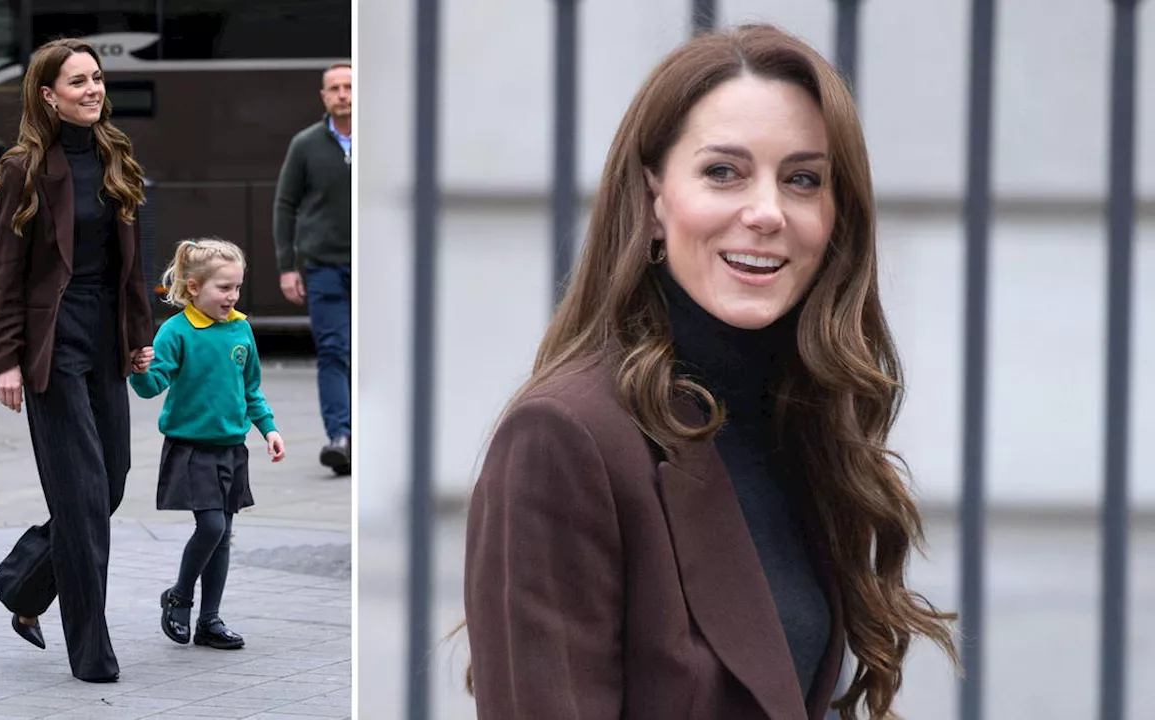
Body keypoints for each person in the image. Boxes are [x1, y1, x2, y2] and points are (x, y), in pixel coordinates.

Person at [461, 25, 958, 719]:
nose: (765, 212)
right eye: (722, 171)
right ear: (655, 198)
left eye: (803, 179)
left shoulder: (798, 423)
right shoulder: (565, 439)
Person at [0, 38, 154, 683]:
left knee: (108, 483)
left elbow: (131, 266)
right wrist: (5, 359)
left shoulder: (117, 157)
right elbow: (4, 275)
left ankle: (23, 582)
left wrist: (140, 335)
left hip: (104, 336)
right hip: (50, 347)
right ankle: (92, 652)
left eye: (97, 78)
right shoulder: (25, 169)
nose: (93, 89)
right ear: (48, 95)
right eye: (78, 81)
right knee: (81, 501)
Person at [130, 238, 286, 651]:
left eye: (237, 287)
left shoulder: (241, 328)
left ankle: (209, 620)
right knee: (212, 526)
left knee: (224, 533)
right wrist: (139, 369)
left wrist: (268, 429)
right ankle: (180, 595)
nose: (232, 296)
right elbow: (151, 386)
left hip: (232, 448)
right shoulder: (176, 331)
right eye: (223, 288)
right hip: (191, 447)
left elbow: (250, 387)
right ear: (195, 288)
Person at [272, 61, 352, 476]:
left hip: (375, 265)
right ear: (323, 96)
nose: (342, 94)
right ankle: (340, 436)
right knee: (334, 350)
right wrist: (288, 266)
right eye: (334, 88)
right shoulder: (305, 145)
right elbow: (285, 204)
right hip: (325, 266)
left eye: (349, 87)